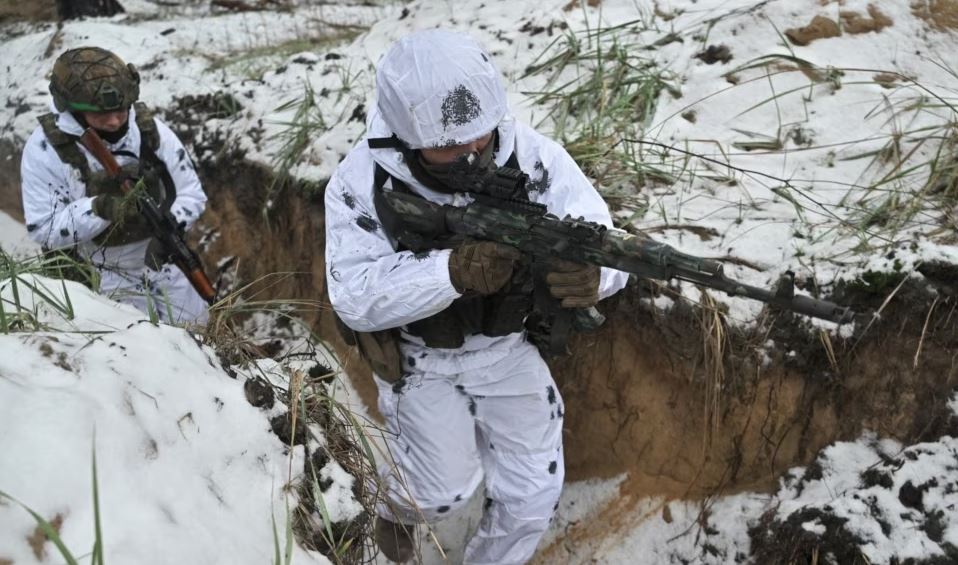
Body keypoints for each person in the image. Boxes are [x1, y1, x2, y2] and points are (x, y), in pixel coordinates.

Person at [325, 30, 629, 564]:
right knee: (441, 493)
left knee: (533, 494)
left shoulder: (532, 156)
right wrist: (451, 272)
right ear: (407, 136)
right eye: (448, 149)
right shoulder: (361, 180)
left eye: (479, 140)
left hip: (507, 350)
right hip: (421, 358)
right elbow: (352, 293)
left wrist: (594, 276)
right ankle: (395, 508)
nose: (469, 157)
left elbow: (596, 236)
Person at [21, 46, 209, 325]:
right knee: (138, 352)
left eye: (120, 110)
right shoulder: (46, 150)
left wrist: (169, 226)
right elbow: (43, 228)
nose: (113, 121)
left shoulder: (150, 132)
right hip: (99, 272)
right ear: (72, 109)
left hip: (162, 261)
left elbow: (192, 193)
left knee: (198, 334)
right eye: (100, 114)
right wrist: (99, 209)